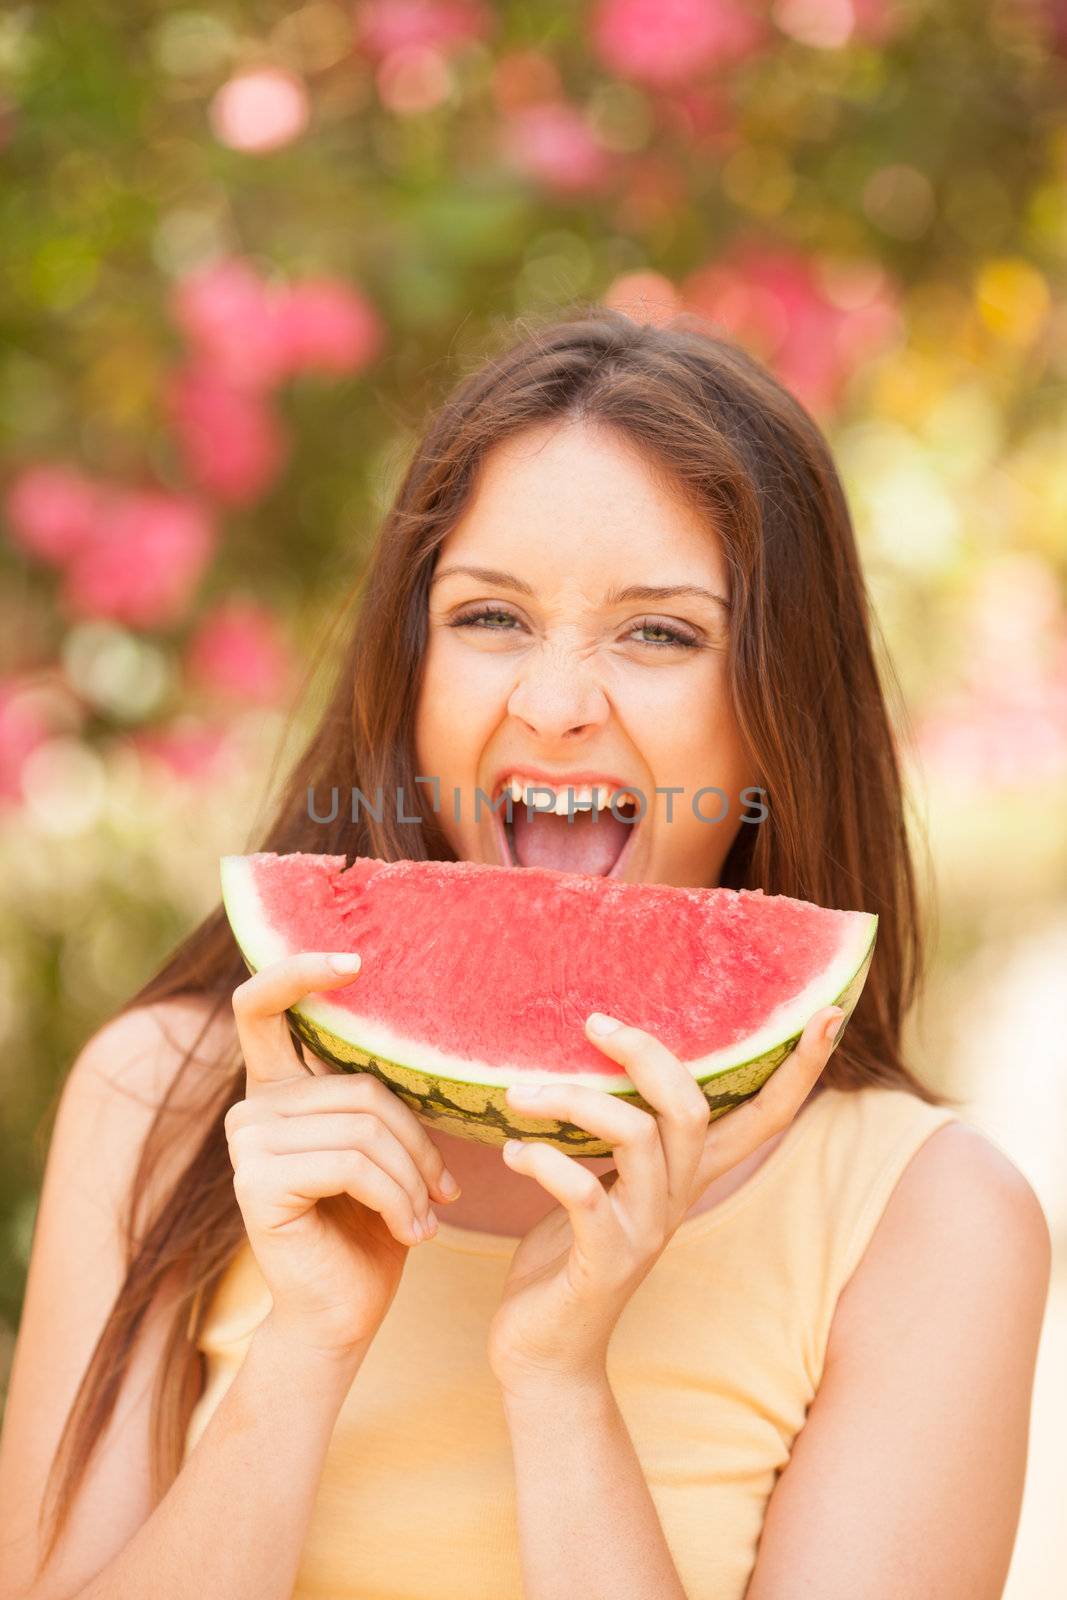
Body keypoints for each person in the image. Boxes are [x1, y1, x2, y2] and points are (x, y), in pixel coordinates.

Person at [0, 306, 1050, 1600]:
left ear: (783, 712)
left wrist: (560, 1386)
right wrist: (305, 1345)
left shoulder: (929, 1223)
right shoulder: (162, 1103)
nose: (553, 707)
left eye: (660, 633)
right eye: (489, 617)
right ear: (411, 664)